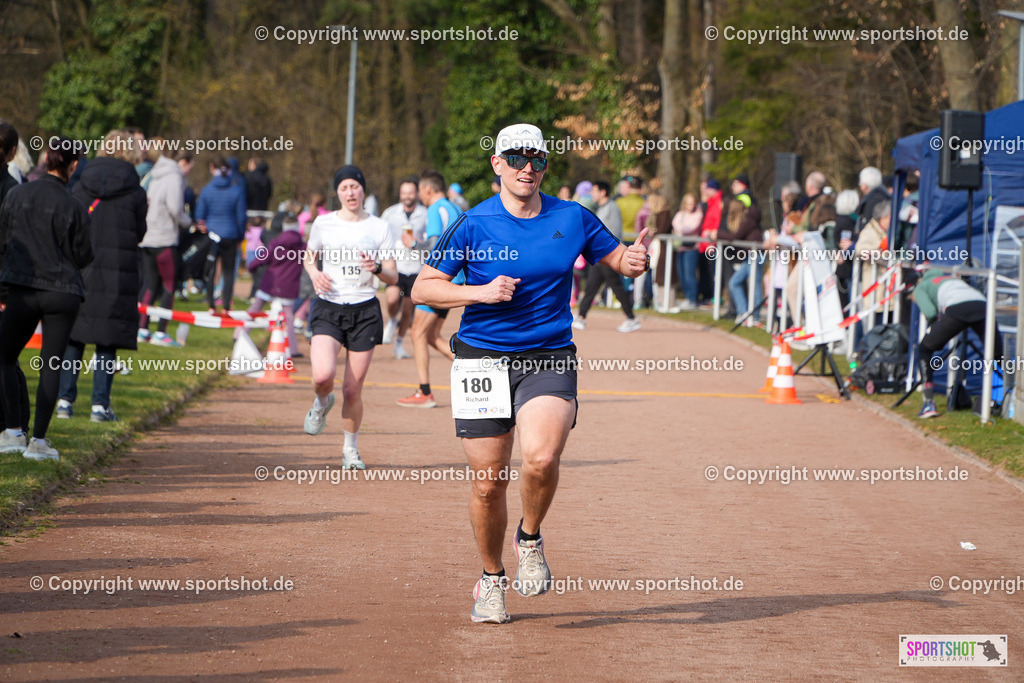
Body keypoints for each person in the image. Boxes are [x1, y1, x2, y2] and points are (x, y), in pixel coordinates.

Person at [412, 123, 649, 624]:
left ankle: (531, 538)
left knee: (540, 458)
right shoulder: (472, 223)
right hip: (482, 359)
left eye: (537, 160)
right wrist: (479, 293)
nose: (527, 168)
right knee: (488, 484)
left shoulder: (572, 216)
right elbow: (423, 288)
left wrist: (633, 260)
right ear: (497, 164)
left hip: (548, 355)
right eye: (517, 159)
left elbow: (618, 260)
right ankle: (491, 578)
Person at [0, 138, 93, 460]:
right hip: (62, 292)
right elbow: (84, 255)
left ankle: (13, 431)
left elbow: (4, 243)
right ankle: (38, 441)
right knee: (51, 364)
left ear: (45, 159)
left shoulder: (16, 195)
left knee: (5, 356)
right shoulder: (75, 206)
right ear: (73, 165)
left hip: (23, 288)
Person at [302, 165, 397, 470]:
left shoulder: (380, 227)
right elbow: (309, 257)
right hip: (328, 307)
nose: (350, 192)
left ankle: (350, 450)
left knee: (352, 390)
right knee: (322, 377)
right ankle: (321, 402)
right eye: (344, 187)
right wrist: (315, 274)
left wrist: (377, 269)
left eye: (354, 186)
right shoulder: (323, 223)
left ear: (363, 190)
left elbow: (393, 276)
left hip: (364, 310)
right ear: (338, 193)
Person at [56, 129, 147, 422]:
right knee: (107, 339)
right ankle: (99, 405)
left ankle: (64, 400)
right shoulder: (135, 191)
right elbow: (140, 232)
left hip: (82, 268)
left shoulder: (81, 186)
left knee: (74, 336)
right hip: (117, 272)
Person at [396, 170, 460, 408]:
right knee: (431, 336)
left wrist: (413, 244)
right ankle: (476, 369)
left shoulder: (435, 209)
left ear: (427, 189)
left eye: (420, 190)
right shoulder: (454, 208)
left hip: (442, 279)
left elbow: (435, 247)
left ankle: (424, 393)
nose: (420, 196)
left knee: (417, 333)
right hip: (455, 278)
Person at [912, 267, 1003, 419]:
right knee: (997, 354)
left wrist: (936, 333)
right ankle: (1001, 401)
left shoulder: (921, 287)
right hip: (982, 305)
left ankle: (928, 404)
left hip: (957, 308)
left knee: (924, 349)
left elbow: (930, 312)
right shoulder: (952, 278)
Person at [138, 147, 192, 346]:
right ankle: (161, 332)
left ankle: (142, 329)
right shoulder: (174, 176)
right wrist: (189, 222)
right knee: (169, 285)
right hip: (164, 237)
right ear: (182, 162)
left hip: (148, 236)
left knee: (150, 285)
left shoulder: (154, 173)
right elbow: (175, 208)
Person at [573, 180, 639, 332]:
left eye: (594, 190)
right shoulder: (601, 208)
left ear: (603, 192)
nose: (591, 194)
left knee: (616, 287)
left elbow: (614, 232)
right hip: (600, 256)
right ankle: (581, 317)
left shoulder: (612, 207)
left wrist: (609, 252)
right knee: (592, 287)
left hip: (609, 256)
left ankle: (631, 318)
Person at [380, 178, 428, 360]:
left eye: (410, 192)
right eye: (404, 193)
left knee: (408, 310)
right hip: (396, 265)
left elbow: (431, 238)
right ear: (400, 195)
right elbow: (380, 234)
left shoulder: (425, 213)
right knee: (392, 299)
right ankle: (392, 320)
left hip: (416, 267)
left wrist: (420, 242)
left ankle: (399, 344)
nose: (407, 196)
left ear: (416, 194)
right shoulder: (390, 213)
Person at [246, 210, 305, 357]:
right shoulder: (303, 247)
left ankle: (240, 334)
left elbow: (263, 258)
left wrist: (252, 266)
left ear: (284, 227)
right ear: (297, 227)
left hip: (270, 284)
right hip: (289, 286)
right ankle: (292, 349)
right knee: (289, 317)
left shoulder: (276, 243)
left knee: (255, 309)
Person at [197, 157, 247, 313]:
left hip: (212, 235)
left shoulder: (207, 190)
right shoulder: (237, 190)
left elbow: (200, 215)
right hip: (230, 235)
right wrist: (240, 236)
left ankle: (211, 304)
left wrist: (203, 227)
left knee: (211, 270)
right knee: (229, 271)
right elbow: (241, 217)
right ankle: (226, 306)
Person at [671, 193, 703, 310]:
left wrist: (680, 229)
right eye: (688, 203)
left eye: (693, 203)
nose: (691, 206)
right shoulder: (680, 214)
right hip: (681, 248)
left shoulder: (698, 214)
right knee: (682, 274)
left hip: (692, 248)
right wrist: (681, 229)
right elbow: (674, 223)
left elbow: (690, 228)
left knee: (690, 274)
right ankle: (687, 297)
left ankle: (692, 298)